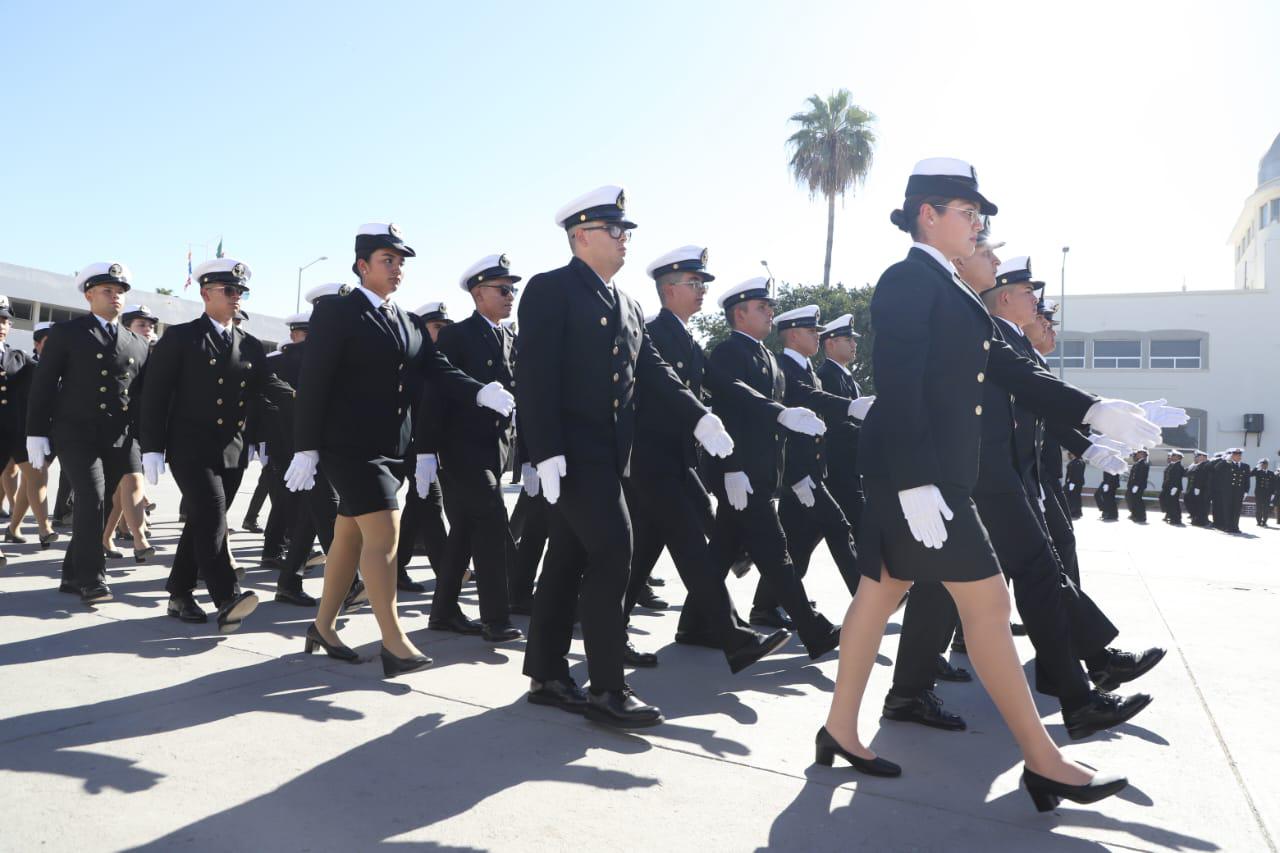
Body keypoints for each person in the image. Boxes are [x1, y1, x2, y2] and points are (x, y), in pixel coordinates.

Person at [820, 158, 1161, 811]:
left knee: (878, 594)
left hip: (935, 479)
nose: (978, 225)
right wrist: (918, 481)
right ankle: (1045, 761)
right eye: (967, 212)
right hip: (918, 481)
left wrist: (1093, 409)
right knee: (988, 606)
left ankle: (839, 728)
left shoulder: (952, 291)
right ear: (928, 213)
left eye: (980, 215)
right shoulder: (906, 280)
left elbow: (1011, 370)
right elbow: (897, 386)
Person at [514, 186, 736, 728]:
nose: (624, 239)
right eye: (615, 231)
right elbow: (534, 374)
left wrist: (699, 417)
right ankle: (607, 689)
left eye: (626, 231)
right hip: (571, 455)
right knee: (615, 554)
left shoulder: (628, 304)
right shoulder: (552, 289)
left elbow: (654, 373)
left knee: (568, 561)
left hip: (609, 456)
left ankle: (546, 674)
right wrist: (543, 452)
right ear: (580, 236)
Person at [285, 223, 514, 677]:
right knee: (385, 535)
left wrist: (479, 391)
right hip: (348, 446)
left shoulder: (407, 322)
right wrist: (306, 447)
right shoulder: (337, 313)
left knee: (349, 538)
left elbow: (440, 369)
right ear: (362, 265)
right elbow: (315, 381)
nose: (397, 270)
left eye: (401, 262)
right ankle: (393, 640)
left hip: (391, 448)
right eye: (387, 261)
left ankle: (323, 626)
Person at [621, 244, 822, 672]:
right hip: (653, 460)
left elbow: (728, 388)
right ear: (669, 289)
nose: (701, 291)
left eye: (701, 284)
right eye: (694, 284)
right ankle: (733, 636)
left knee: (643, 553)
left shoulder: (687, 339)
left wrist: (781, 413)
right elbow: (669, 393)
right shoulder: (655, 333)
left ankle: (612, 626)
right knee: (695, 544)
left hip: (680, 461)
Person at [677, 278, 845, 659]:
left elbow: (785, 411)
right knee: (775, 549)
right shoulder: (727, 353)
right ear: (740, 313)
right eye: (762, 307)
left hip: (762, 474)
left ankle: (691, 623)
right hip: (738, 474)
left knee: (721, 551)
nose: (771, 312)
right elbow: (732, 406)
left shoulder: (768, 358)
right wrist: (731, 468)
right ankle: (814, 631)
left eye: (770, 306)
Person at [140, 259, 293, 631]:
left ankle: (179, 593)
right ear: (205, 293)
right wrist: (151, 447)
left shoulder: (250, 344)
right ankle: (227, 596)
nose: (236, 297)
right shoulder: (181, 338)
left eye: (240, 291)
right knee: (212, 514)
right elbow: (155, 394)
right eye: (229, 290)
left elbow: (265, 388)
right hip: (189, 446)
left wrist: (306, 401)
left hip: (231, 448)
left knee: (202, 521)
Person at [27, 262, 149, 603]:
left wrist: (151, 442)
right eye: (108, 291)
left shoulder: (137, 343)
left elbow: (141, 396)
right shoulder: (68, 333)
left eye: (120, 292)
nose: (115, 297)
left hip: (118, 437)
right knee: (91, 498)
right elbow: (44, 384)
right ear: (89, 294)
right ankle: (93, 578)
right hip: (75, 432)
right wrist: (36, 432)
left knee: (102, 501)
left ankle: (71, 574)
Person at [418, 254, 524, 643]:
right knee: (493, 528)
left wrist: (525, 456)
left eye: (513, 289)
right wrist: (426, 451)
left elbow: (517, 397)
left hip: (493, 453)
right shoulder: (457, 336)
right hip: (461, 452)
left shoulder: (508, 337)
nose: (510, 296)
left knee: (463, 531)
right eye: (503, 289)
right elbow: (436, 394)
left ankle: (443, 611)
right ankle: (495, 618)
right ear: (479, 294)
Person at [7, 321, 59, 550]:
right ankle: (44, 528)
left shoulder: (69, 369)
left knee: (29, 482)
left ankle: (12, 528)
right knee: (38, 477)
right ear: (37, 345)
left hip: (52, 435)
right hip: (24, 433)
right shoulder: (26, 367)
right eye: (49, 343)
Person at [1159, 450, 1186, 525]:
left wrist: (1175, 487)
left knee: (1174, 503)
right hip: (1169, 487)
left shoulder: (1178, 466)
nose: (1172, 457)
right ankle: (1171, 516)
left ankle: (1176, 519)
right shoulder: (1173, 465)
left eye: (1174, 455)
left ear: (1178, 457)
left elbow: (1176, 478)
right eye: (1172, 455)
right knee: (1169, 502)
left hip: (1174, 488)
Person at [1186, 451, 1212, 526]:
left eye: (1198, 456)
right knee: (1197, 504)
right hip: (1198, 488)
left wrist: (1198, 487)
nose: (1197, 458)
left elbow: (1203, 478)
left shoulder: (1207, 465)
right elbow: (1189, 474)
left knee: (1203, 506)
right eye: (1196, 456)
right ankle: (1197, 519)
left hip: (1204, 489)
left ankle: (1202, 521)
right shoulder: (1200, 465)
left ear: (1203, 457)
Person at [1125, 449, 1149, 523]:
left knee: (1138, 501)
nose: (1136, 455)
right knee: (1132, 499)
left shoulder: (1143, 464)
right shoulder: (1138, 463)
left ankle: (1141, 516)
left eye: (1138, 453)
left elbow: (1141, 476)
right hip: (1133, 485)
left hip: (1138, 486)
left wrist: (1136, 485)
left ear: (1142, 455)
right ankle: (1135, 514)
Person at [1250, 458, 1274, 527]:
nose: (1264, 465)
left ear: (1267, 465)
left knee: (1266, 508)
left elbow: (1273, 484)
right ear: (1261, 465)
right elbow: (1251, 474)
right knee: (1259, 507)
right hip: (1259, 493)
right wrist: (1256, 466)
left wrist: (1273, 493)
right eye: (1263, 464)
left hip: (1268, 493)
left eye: (1266, 464)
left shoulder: (1271, 473)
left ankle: (1265, 521)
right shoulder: (1258, 472)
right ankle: (1259, 521)